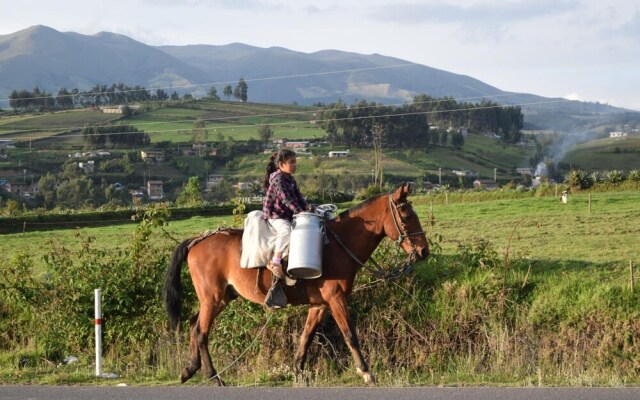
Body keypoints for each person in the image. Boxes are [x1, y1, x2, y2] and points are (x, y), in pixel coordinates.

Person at [261, 149, 310, 308]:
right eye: (292, 162)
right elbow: (286, 199)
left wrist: (308, 208)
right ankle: (275, 262)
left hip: (288, 215)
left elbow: (299, 198)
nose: (295, 165)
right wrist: (300, 211)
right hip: (276, 216)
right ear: (281, 164)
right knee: (287, 231)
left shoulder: (290, 179)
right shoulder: (278, 179)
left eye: (295, 162)